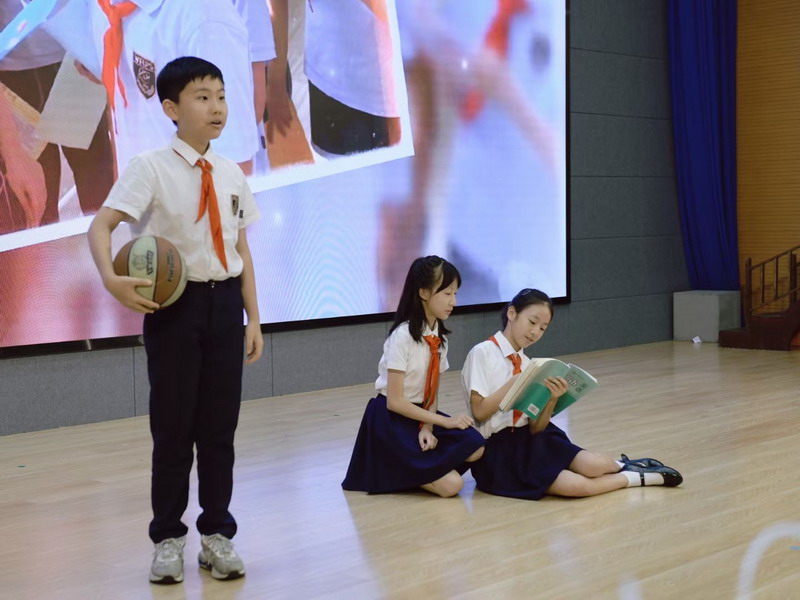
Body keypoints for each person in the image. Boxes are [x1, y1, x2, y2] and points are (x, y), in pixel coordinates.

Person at [87, 56, 263, 584]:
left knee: (219, 431)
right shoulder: (150, 168)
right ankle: (167, 539)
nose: (217, 107)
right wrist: (111, 279)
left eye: (221, 96)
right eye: (202, 97)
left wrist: (254, 318)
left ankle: (217, 535)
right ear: (171, 108)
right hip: (175, 309)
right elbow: (101, 227)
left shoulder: (230, 172)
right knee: (173, 431)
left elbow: (241, 251)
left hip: (225, 306)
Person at [461, 288, 682, 500]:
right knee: (577, 486)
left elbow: (537, 428)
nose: (535, 332)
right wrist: (514, 383)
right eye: (532, 322)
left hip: (530, 438)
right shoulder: (483, 352)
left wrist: (552, 398)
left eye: (543, 328)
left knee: (594, 466)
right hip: (498, 451)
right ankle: (639, 477)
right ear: (512, 313)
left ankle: (627, 464)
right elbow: (479, 412)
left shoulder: (529, 363)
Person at [342, 255, 484, 497]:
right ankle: (398, 465)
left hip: (420, 415)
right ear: (424, 293)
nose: (453, 301)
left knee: (476, 446)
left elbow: (431, 393)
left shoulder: (440, 338)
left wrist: (428, 427)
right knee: (452, 486)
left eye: (455, 293)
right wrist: (444, 422)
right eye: (447, 293)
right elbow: (394, 402)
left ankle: (414, 466)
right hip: (391, 418)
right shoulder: (402, 337)